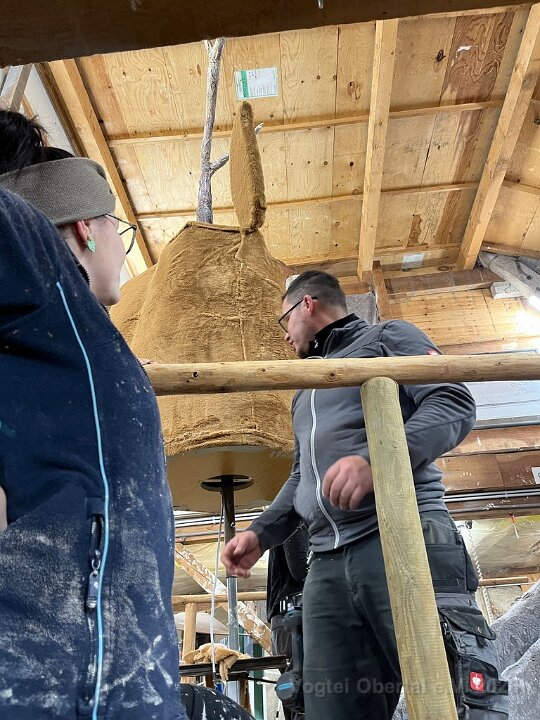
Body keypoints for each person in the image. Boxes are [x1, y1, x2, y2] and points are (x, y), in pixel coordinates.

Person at [222, 271, 509, 720]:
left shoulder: (387, 338)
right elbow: (302, 477)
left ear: (307, 304)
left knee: (452, 696)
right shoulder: (305, 392)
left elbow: (452, 400)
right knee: (329, 705)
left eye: (284, 322)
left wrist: (378, 459)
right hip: (326, 564)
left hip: (403, 532)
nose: (285, 337)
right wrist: (261, 534)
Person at [0, 111, 187, 719]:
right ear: (86, 227)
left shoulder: (78, 336)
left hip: (105, 672)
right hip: (56, 676)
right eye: (117, 231)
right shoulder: (33, 261)